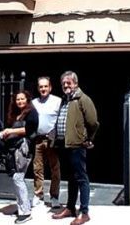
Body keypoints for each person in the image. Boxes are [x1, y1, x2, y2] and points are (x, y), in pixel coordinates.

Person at [51, 72, 99, 225]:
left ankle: (84, 212)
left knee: (81, 178)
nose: (66, 85)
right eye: (63, 83)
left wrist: (87, 139)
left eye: (69, 83)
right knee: (71, 178)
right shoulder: (65, 100)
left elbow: (93, 123)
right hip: (64, 145)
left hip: (77, 145)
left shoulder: (83, 99)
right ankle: (70, 208)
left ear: (75, 83)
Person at [0, 91, 39, 224]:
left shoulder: (32, 113)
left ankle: (26, 212)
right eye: (18, 99)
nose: (20, 101)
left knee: (18, 178)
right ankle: (22, 207)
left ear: (27, 99)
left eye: (22, 99)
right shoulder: (16, 114)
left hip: (24, 149)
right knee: (16, 178)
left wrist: (10, 131)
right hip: (14, 149)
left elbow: (29, 129)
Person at [32, 76, 63, 209]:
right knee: (37, 169)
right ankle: (38, 195)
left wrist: (56, 134)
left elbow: (61, 119)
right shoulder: (34, 102)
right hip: (38, 139)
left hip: (52, 140)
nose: (43, 89)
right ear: (38, 88)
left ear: (50, 87)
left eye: (45, 86)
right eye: (41, 87)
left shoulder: (58, 101)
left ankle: (54, 196)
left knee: (55, 169)